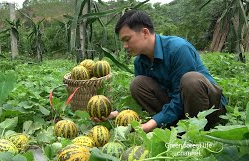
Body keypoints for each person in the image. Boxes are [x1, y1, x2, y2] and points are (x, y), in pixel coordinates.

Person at [92, 10, 227, 133]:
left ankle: (199, 131)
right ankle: (174, 127)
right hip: (180, 109)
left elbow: (180, 97)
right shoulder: (139, 61)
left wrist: (151, 124)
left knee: (190, 80)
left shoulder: (178, 49)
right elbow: (144, 101)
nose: (125, 46)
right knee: (137, 84)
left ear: (145, 32)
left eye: (127, 39)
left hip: (209, 108)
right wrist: (116, 114)